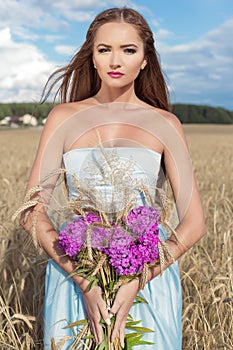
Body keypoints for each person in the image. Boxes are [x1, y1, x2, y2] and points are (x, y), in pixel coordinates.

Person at [19, 7, 206, 350]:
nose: (115, 61)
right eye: (104, 50)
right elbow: (32, 210)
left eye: (128, 50)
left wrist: (138, 280)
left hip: (149, 279)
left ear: (145, 59)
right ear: (92, 57)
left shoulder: (166, 123)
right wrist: (83, 280)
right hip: (75, 272)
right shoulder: (63, 117)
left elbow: (195, 224)